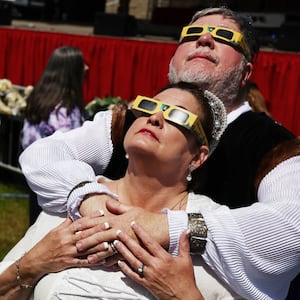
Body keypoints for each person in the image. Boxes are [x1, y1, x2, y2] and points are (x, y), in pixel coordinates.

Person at [18, 6, 298, 300]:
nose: (204, 40)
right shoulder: (131, 122)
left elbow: (292, 226)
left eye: (224, 37)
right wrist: (89, 198)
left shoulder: (275, 145)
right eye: (192, 34)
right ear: (171, 61)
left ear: (246, 72)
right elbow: (45, 153)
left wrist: (167, 227)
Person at [1, 82, 234, 299]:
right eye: (148, 106)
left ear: (198, 156)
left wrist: (184, 295)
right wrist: (34, 264)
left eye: (178, 115)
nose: (155, 117)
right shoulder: (72, 199)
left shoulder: (212, 228)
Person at [20, 45, 87, 150]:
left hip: (30, 163)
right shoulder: (65, 112)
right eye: (82, 64)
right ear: (72, 72)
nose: (86, 68)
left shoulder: (38, 98)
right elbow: (72, 151)